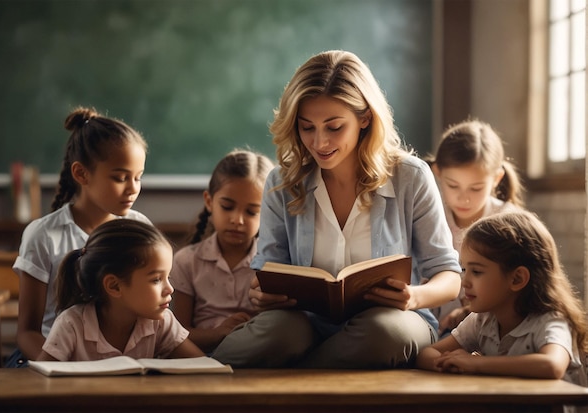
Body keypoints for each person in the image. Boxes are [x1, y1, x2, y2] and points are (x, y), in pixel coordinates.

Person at [211, 50, 462, 369]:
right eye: (306, 127)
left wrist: (414, 296)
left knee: (384, 331)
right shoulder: (282, 181)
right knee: (281, 332)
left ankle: (298, 377)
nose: (319, 143)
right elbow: (269, 272)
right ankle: (192, 375)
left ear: (364, 118)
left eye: (333, 127)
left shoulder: (410, 176)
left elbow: (449, 276)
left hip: (392, 322)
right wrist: (262, 295)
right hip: (305, 324)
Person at [9, 107, 152, 366]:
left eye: (138, 177)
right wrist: (62, 368)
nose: (132, 189)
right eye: (120, 178)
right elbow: (27, 332)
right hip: (54, 359)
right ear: (81, 173)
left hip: (119, 361)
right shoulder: (43, 235)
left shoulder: (139, 228)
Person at [416, 211, 588, 388]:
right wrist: (449, 364)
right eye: (464, 270)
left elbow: (551, 365)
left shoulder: (550, 321)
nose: (464, 281)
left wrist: (476, 364)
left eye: (476, 272)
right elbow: (426, 354)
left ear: (517, 279)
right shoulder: (481, 321)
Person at [36, 219, 203, 361]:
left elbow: (204, 369)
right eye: (156, 279)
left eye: (168, 277)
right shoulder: (71, 324)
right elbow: (41, 385)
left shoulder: (161, 322)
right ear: (114, 286)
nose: (170, 289)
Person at [426, 119, 525, 335]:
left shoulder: (508, 221)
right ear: (437, 173)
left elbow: (519, 293)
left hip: (492, 330)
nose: (464, 198)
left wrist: (470, 313)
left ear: (496, 178)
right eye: (453, 186)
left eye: (476, 188)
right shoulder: (429, 215)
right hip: (432, 325)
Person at [170, 149, 274, 353]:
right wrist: (219, 333)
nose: (238, 220)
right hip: (201, 354)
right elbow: (176, 333)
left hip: (257, 353)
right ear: (209, 202)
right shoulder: (186, 261)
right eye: (227, 207)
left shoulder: (272, 263)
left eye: (252, 212)